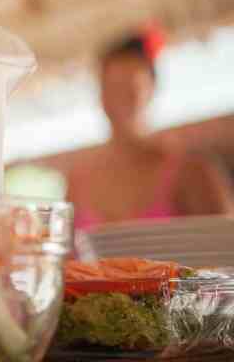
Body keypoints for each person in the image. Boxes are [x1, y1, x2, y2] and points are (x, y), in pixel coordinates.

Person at [66, 23, 234, 231]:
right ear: (100, 93)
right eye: (111, 86)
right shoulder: (77, 183)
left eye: (131, 88)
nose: (120, 98)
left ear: (151, 90)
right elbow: (65, 258)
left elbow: (226, 251)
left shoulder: (190, 171)